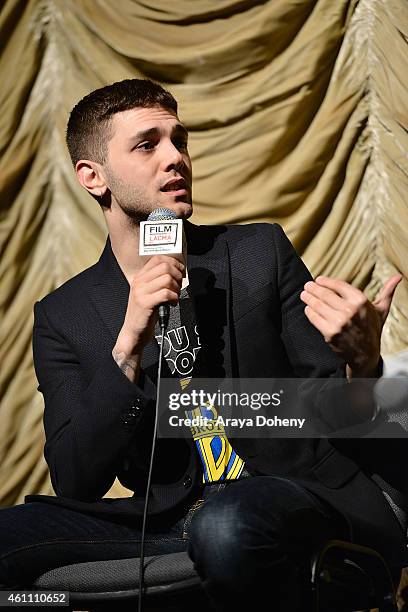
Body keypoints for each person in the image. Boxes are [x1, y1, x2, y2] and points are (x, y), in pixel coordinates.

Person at [0, 78, 405, 611]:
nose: (176, 158)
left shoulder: (259, 251)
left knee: (227, 525)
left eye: (179, 140)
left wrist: (362, 361)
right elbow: (77, 479)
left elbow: (335, 416)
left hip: (288, 490)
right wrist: (128, 346)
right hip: (166, 517)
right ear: (93, 176)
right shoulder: (64, 315)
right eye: (148, 144)